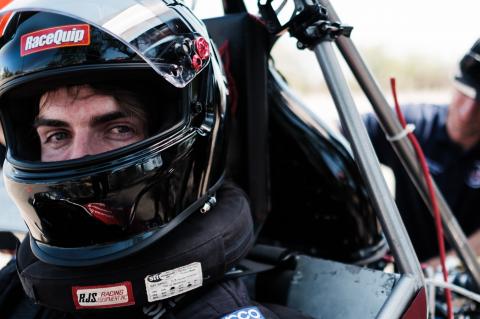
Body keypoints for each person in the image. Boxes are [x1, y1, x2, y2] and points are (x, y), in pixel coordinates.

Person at [0, 2, 312, 318]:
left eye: (117, 128)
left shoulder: (215, 312)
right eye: (58, 136)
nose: (79, 156)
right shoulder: (18, 288)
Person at [363, 39, 480, 262]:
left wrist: (448, 265)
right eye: (465, 92)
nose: (467, 113)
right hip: (401, 272)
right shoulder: (410, 125)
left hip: (461, 278)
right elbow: (334, 135)